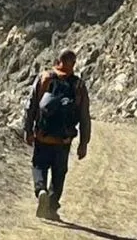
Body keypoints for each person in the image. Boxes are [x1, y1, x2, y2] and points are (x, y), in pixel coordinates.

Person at [23, 48, 91, 222]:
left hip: (43, 135)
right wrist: (84, 143)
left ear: (57, 61)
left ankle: (41, 191)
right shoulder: (78, 85)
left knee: (39, 166)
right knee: (59, 173)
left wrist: (28, 130)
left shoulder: (44, 78)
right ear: (73, 63)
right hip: (64, 139)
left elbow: (31, 105)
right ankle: (52, 208)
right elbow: (84, 116)